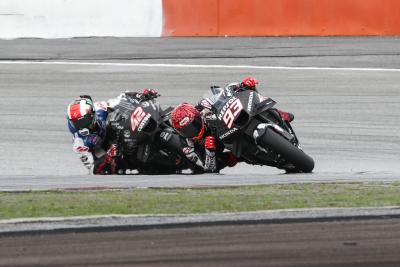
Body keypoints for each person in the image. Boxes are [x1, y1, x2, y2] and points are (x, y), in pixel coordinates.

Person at [170, 77, 294, 172]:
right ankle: (273, 161)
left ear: (197, 115)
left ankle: (278, 114)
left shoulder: (203, 105)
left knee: (250, 99)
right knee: (235, 157)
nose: (193, 131)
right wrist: (210, 152)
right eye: (187, 131)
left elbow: (224, 92)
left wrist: (242, 84)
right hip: (218, 148)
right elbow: (206, 168)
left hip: (225, 124)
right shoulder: (186, 145)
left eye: (194, 124)